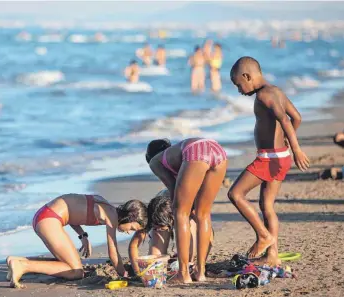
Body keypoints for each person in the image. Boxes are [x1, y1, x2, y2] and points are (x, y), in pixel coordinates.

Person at [228, 56, 310, 266]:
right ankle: (272, 255)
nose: (239, 90)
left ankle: (263, 236)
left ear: (247, 76)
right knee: (267, 205)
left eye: (239, 85)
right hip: (280, 156)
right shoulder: (277, 91)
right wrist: (286, 142)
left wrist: (297, 148)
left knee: (235, 194)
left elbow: (284, 119)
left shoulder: (264, 96)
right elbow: (296, 118)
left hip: (269, 158)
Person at [6, 194, 148, 288]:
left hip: (45, 215)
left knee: (67, 263)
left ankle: (17, 260)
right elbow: (113, 252)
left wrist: (83, 235)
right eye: (132, 228)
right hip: (49, 219)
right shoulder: (111, 215)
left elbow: (72, 211)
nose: (129, 232)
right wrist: (124, 274)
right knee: (76, 272)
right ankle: (23, 266)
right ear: (130, 217)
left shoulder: (105, 205)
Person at [145, 138, 228, 283]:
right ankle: (200, 272)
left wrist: (183, 211)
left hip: (197, 151)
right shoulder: (175, 154)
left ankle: (183, 274)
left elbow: (172, 189)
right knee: (203, 214)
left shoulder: (154, 162)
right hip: (218, 150)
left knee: (180, 213)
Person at [128, 190, 214, 275]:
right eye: (155, 227)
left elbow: (209, 233)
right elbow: (133, 245)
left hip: (184, 207)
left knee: (189, 257)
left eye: (160, 227)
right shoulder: (151, 215)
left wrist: (201, 264)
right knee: (156, 260)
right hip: (161, 206)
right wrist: (137, 271)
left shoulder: (190, 211)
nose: (157, 229)